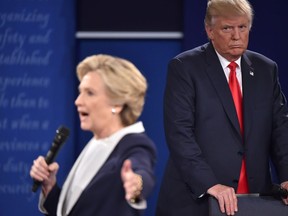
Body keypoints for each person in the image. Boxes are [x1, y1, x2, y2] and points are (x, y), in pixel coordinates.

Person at [156, 0, 288, 215]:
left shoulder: (266, 69)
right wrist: (210, 184)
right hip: (198, 201)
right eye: (227, 28)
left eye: (242, 27)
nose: (236, 36)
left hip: (253, 200)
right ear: (209, 30)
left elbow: (281, 128)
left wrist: (286, 176)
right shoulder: (185, 67)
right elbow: (180, 134)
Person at [30, 54, 157, 216]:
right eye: (80, 92)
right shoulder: (96, 144)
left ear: (117, 104)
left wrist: (136, 184)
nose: (78, 101)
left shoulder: (135, 144)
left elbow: (142, 170)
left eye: (89, 93)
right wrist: (49, 186)